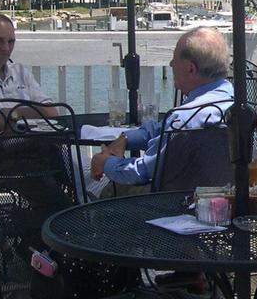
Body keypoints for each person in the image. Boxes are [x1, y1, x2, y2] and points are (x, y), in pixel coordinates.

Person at [90, 26, 233, 187]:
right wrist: (127, 138)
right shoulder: (234, 103)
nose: (171, 64)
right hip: (226, 200)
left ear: (190, 68)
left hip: (175, 203)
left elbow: (142, 171)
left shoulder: (186, 118)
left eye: (175, 59)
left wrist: (105, 163)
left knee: (100, 188)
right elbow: (161, 130)